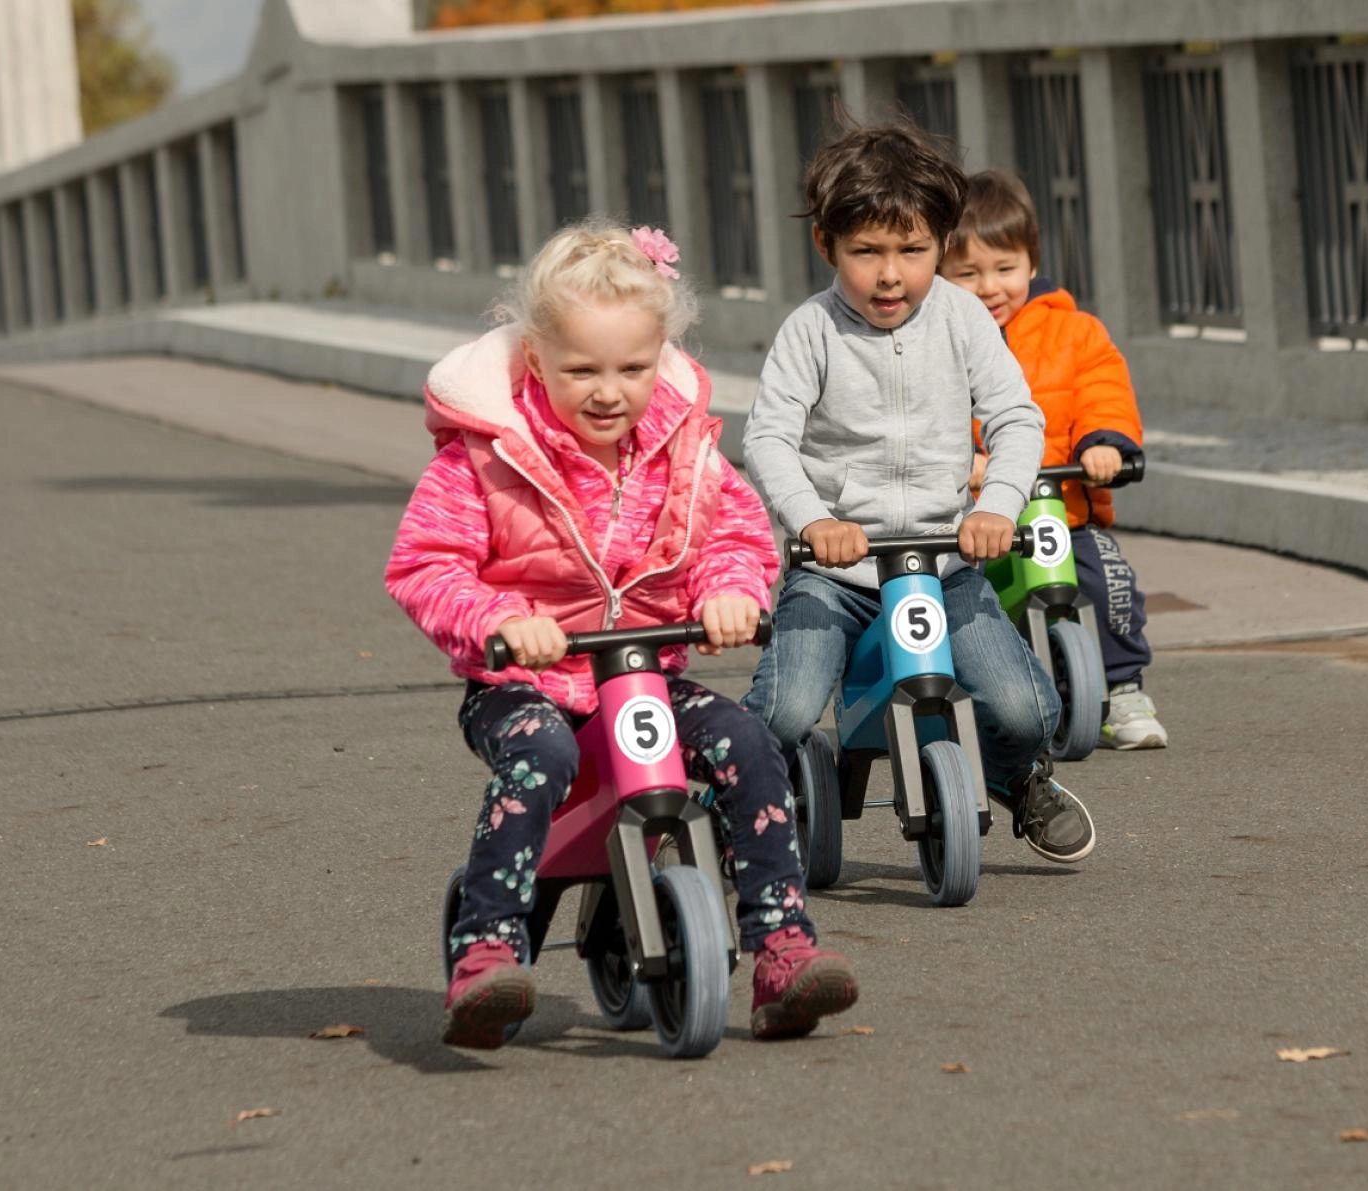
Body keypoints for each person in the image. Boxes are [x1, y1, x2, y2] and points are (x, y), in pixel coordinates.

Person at [386, 221, 858, 1049]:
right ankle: (487, 946)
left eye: (633, 369)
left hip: (642, 676)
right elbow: (427, 563)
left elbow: (733, 534)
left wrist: (730, 593)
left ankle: (783, 944)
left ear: (659, 359)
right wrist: (501, 621)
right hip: (526, 684)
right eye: (583, 371)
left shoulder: (684, 450)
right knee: (542, 754)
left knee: (748, 740)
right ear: (537, 362)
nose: (610, 392)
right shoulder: (488, 457)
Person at [740, 121, 1096, 864]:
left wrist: (997, 505)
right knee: (785, 711)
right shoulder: (810, 332)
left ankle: (1014, 776)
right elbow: (768, 438)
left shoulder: (962, 319)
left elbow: (1015, 417)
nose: (890, 275)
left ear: (942, 244)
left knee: (1027, 711)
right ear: (827, 246)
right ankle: (742, 813)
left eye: (912, 250)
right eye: (866, 252)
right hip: (837, 574)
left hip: (943, 563)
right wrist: (813, 520)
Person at [940, 170, 1168, 750]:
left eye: (1005, 268)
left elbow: (1102, 390)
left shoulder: (1074, 332)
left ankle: (1123, 687)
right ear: (940, 274)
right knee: (960, 605)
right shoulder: (939, 340)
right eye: (968, 273)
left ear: (1032, 262)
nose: (989, 287)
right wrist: (964, 461)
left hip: (1061, 512)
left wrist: (1102, 443)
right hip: (976, 523)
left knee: (1109, 579)